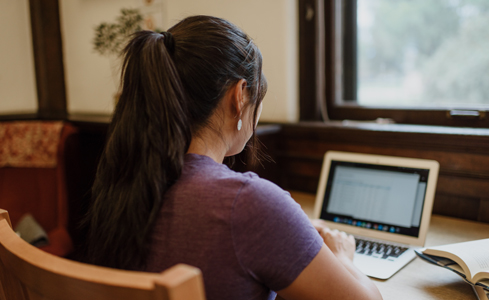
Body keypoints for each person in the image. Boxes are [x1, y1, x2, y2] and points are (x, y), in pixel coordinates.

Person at [86, 15, 382, 300]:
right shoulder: (248, 203)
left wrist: (290, 227)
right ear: (239, 96)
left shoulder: (121, 185)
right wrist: (343, 257)